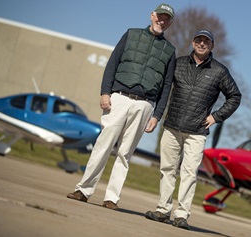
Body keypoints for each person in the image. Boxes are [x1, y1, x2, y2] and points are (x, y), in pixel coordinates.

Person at [67, 3, 176, 211]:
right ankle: (84, 190)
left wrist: (157, 115)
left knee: (125, 153)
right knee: (103, 145)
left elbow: (167, 85)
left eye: (166, 19)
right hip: (119, 98)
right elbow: (113, 63)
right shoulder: (131, 34)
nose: (162, 21)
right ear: (152, 15)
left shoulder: (170, 50)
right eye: (159, 16)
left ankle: (112, 198)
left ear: (170, 23)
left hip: (145, 105)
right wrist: (105, 92)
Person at [145, 29, 242, 229]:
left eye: (206, 41)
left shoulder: (219, 71)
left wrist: (216, 116)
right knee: (167, 169)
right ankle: (163, 210)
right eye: (198, 40)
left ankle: (181, 215)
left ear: (212, 46)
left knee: (189, 173)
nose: (201, 44)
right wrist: (157, 114)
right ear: (193, 42)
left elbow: (235, 96)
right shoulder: (178, 63)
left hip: (197, 132)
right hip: (171, 126)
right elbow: (163, 89)